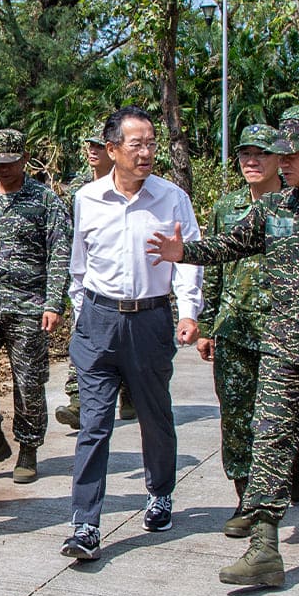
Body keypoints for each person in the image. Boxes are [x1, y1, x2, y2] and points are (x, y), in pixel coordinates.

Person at [147, 106, 299, 586]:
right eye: (280, 154)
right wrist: (184, 253)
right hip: (282, 349)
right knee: (270, 441)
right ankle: (264, 545)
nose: (284, 163)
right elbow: (229, 244)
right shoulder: (275, 207)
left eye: (293, 154)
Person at [59, 106, 203, 561]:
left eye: (151, 143)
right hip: (98, 322)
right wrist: (84, 313)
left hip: (150, 320)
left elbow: (189, 255)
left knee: (155, 419)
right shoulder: (87, 199)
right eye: (136, 144)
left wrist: (188, 310)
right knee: (93, 425)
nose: (146, 153)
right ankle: (85, 524)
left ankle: (160, 493)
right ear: (112, 150)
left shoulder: (171, 197)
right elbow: (77, 266)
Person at [196, 122, 299, 538]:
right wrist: (207, 324)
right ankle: (246, 499)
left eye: (261, 153)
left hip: (286, 329)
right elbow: (216, 265)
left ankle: (293, 460)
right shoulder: (227, 207)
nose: (251, 161)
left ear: (281, 157)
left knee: (285, 419)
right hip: (234, 326)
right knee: (238, 418)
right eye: (245, 153)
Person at [0, 129, 72, 484]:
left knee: (29, 383)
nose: (2, 170)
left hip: (29, 306)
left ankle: (28, 448)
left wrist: (53, 302)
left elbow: (59, 254)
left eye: (9, 162)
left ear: (23, 159)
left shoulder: (45, 201)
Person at [55, 124, 135, 428]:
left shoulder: (135, 185)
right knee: (84, 336)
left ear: (114, 150)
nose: (92, 151)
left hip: (122, 277)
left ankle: (131, 392)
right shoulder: (77, 189)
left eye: (98, 146)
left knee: (125, 339)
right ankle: (78, 401)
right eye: (89, 145)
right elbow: (65, 232)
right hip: (87, 273)